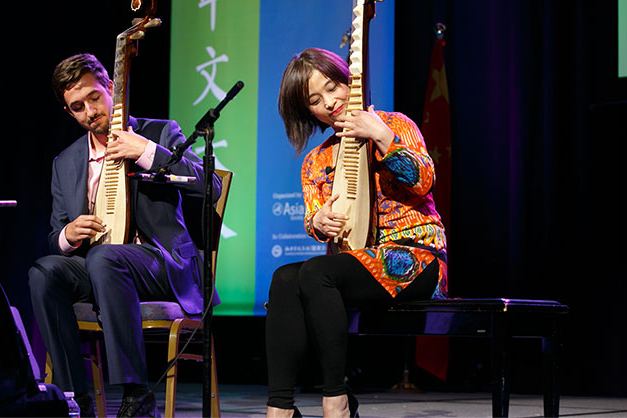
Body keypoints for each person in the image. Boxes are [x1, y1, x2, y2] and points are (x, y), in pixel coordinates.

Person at [28, 53, 222, 418]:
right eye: (77, 107)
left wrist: (148, 153)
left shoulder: (159, 132)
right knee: (44, 272)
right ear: (70, 113)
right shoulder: (66, 162)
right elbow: (55, 234)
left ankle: (136, 395)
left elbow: (209, 184)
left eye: (94, 97)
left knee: (106, 258)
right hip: (98, 265)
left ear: (112, 90)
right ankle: (74, 398)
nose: (90, 111)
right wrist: (68, 235)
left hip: (160, 264)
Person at [266, 48, 448, 418]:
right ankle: (280, 407)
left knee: (317, 272)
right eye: (315, 100)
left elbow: (424, 180)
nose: (330, 103)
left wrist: (380, 135)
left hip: (417, 257)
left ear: (350, 82)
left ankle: (337, 400)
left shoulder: (395, 124)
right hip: (359, 263)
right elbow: (315, 217)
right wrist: (317, 223)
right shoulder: (317, 160)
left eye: (333, 88)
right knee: (285, 278)